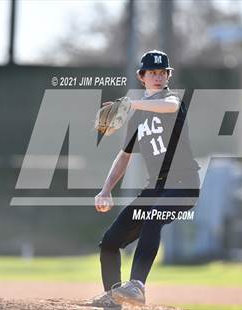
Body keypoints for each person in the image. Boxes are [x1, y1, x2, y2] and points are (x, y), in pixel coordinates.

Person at [81, 50, 200, 308]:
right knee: (110, 242)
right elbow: (123, 157)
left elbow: (169, 106)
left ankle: (137, 286)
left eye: (162, 72)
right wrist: (106, 189)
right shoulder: (137, 117)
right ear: (142, 76)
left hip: (184, 185)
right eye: (152, 73)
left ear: (168, 76)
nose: (158, 77)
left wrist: (132, 103)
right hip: (155, 188)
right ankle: (112, 299)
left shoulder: (171, 101)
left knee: (152, 219)